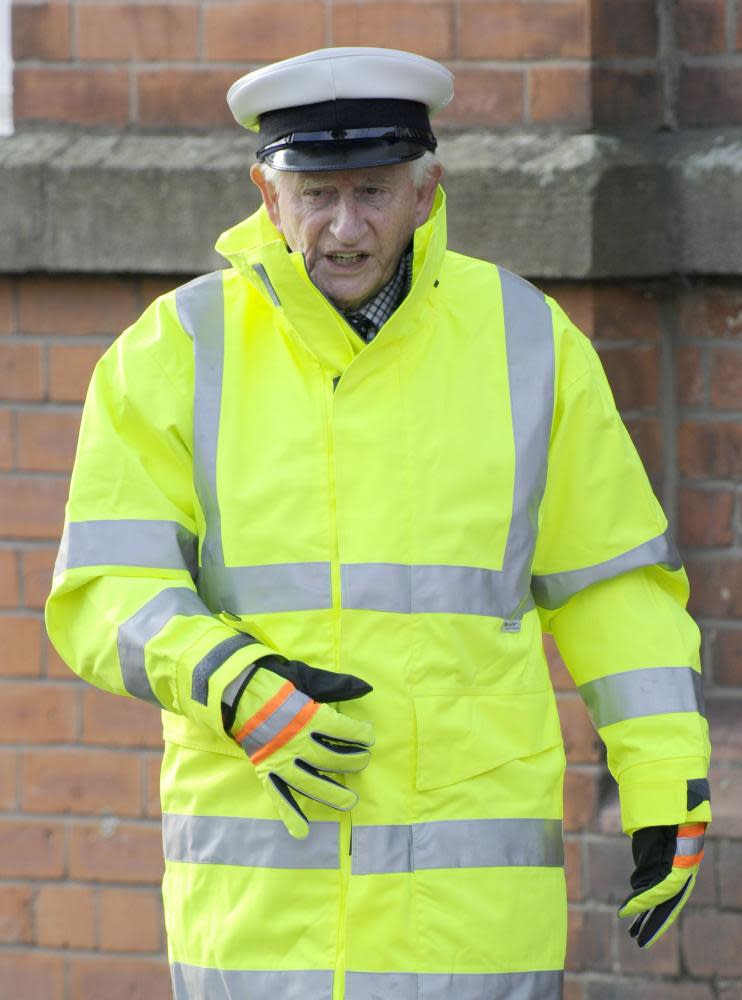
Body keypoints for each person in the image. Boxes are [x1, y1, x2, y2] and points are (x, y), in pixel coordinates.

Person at [46, 46, 711, 1000]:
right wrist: (229, 681)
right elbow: (104, 589)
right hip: (261, 928)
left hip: (470, 930)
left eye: (374, 191)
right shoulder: (173, 353)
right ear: (267, 197)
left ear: (429, 191)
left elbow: (613, 587)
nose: (345, 227)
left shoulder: (529, 343)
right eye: (316, 193)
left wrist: (663, 779)